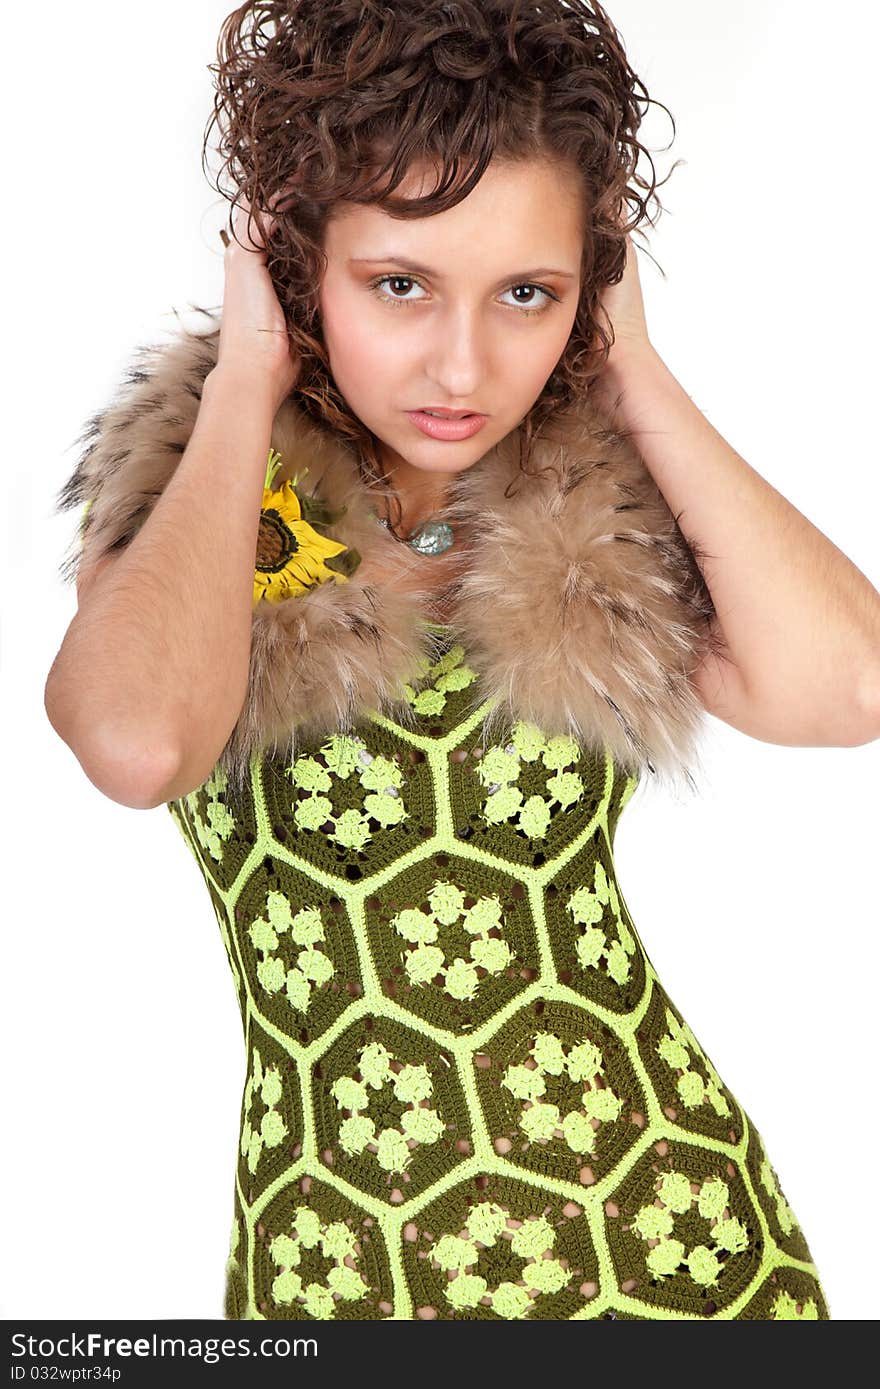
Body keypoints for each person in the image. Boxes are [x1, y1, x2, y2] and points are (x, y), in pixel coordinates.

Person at [45, 0, 879, 1321]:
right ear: (293, 255)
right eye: (400, 284)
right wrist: (246, 380)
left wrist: (633, 370)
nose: (462, 362)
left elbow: (850, 687)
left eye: (527, 294)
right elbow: (137, 743)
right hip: (340, 1258)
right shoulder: (195, 493)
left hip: (670, 1253)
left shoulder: (597, 492)